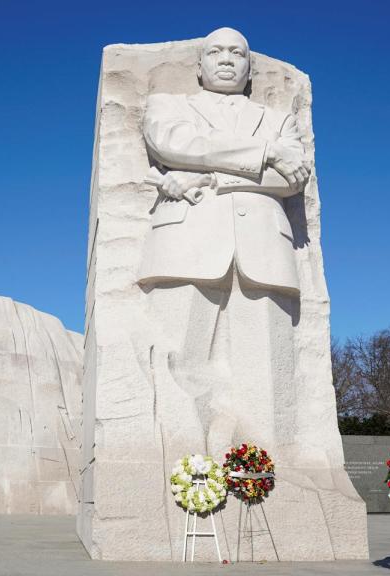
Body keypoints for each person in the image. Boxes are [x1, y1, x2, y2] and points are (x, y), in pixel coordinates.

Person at [140, 27, 311, 455]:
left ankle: (268, 463)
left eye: (237, 53)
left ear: (250, 68)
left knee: (269, 371)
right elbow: (173, 144)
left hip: (264, 249)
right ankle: (181, 459)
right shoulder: (168, 106)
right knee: (177, 358)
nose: (226, 58)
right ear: (198, 67)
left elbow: (291, 179)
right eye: (215, 52)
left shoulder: (279, 119)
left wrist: (208, 174)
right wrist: (263, 153)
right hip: (185, 243)